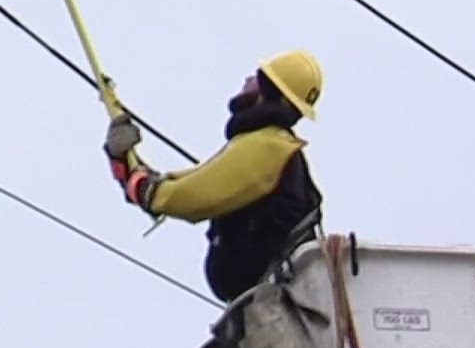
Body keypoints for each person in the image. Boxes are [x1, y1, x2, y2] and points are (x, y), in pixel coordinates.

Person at [103, 50, 325, 306]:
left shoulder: (269, 147)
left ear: (268, 89)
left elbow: (182, 197)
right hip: (262, 301)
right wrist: (126, 165)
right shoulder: (263, 146)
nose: (247, 79)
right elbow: (177, 184)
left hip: (270, 301)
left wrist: (144, 187)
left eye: (257, 76)